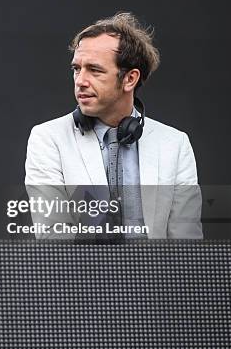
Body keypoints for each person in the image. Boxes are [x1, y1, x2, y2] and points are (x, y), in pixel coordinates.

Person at [25, 13, 202, 239]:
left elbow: (187, 244)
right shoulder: (48, 138)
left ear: (130, 79)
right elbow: (53, 237)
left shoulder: (175, 144)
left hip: (155, 275)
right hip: (81, 275)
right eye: (76, 69)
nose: (80, 80)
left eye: (94, 70)